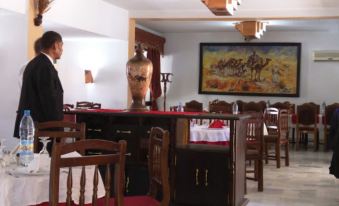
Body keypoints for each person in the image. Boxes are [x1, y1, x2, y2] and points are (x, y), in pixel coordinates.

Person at [14, 31, 64, 139]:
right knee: (44, 156)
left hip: (32, 125)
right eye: (61, 45)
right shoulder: (45, 66)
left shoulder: (34, 63)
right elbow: (48, 100)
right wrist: (58, 130)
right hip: (43, 130)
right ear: (55, 45)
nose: (62, 50)